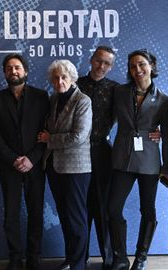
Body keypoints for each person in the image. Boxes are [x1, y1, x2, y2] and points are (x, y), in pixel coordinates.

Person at [107, 49, 168, 270]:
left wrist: (167, 166)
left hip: (149, 161)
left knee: (148, 209)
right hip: (122, 158)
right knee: (112, 208)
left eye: (142, 64)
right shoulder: (119, 92)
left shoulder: (165, 100)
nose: (137, 70)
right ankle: (120, 256)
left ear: (152, 66)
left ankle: (141, 257)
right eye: (133, 66)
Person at [0, 54, 49, 270]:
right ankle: (15, 257)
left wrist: (31, 159)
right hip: (9, 166)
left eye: (17, 67)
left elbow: (47, 131)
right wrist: (13, 158)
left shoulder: (42, 97)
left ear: (25, 71)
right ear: (4, 73)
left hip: (35, 166)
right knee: (10, 215)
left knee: (35, 213)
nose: (13, 71)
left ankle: (34, 257)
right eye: (8, 68)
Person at [38, 59, 92, 270]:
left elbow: (78, 136)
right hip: (54, 166)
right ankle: (71, 259)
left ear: (72, 78)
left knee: (77, 219)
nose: (59, 81)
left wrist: (49, 139)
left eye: (64, 77)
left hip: (76, 169)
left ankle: (78, 264)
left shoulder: (83, 100)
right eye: (56, 78)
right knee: (66, 217)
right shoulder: (53, 100)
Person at [76, 46, 118, 269]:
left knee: (102, 207)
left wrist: (155, 131)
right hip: (76, 154)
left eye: (107, 63)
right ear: (91, 60)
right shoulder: (76, 84)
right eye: (99, 61)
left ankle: (108, 259)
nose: (102, 66)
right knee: (80, 207)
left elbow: (134, 118)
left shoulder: (116, 89)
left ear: (111, 66)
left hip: (103, 153)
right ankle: (79, 259)